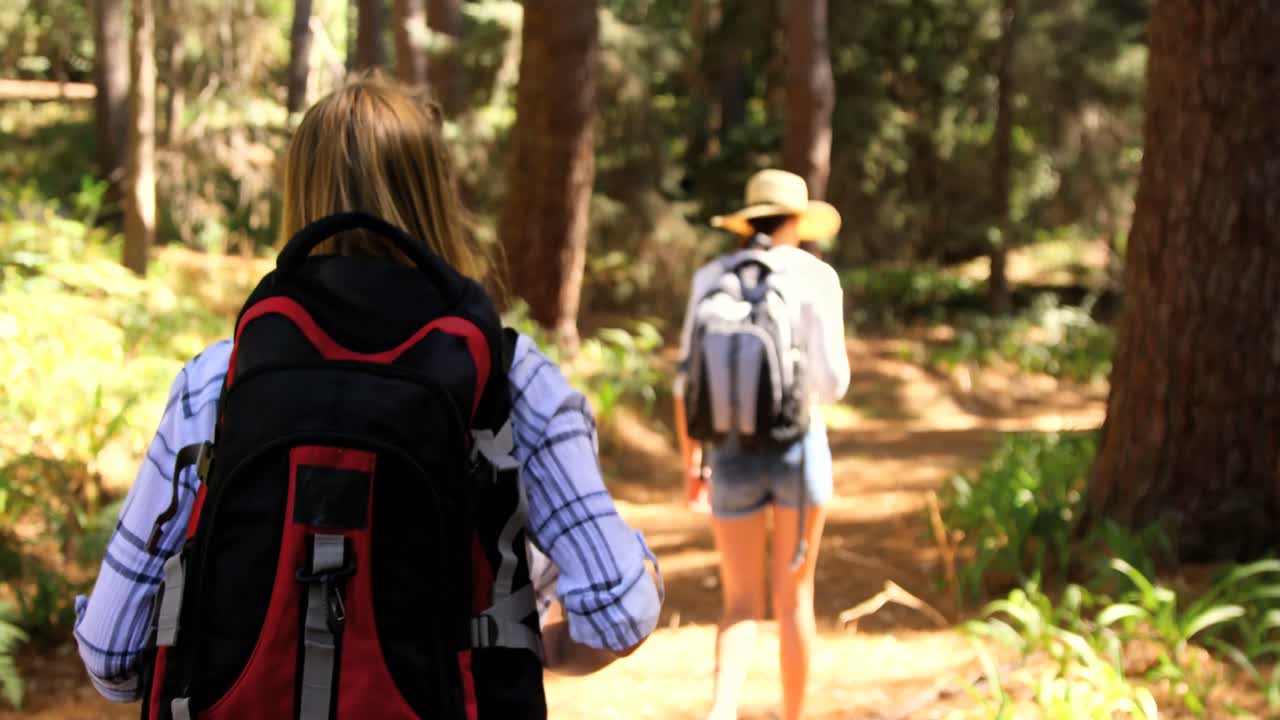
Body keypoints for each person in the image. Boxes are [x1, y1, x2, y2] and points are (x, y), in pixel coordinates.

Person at [74, 77, 662, 718]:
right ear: (436, 192)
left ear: (300, 192)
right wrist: (530, 650)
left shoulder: (221, 379)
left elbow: (110, 653)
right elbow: (619, 606)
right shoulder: (510, 377)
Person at [673, 169, 850, 720]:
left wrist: (691, 465)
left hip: (727, 452)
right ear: (797, 220)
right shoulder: (817, 277)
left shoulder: (711, 277)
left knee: (739, 602)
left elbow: (685, 384)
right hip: (798, 449)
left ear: (747, 221)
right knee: (794, 599)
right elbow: (833, 384)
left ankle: (722, 711)